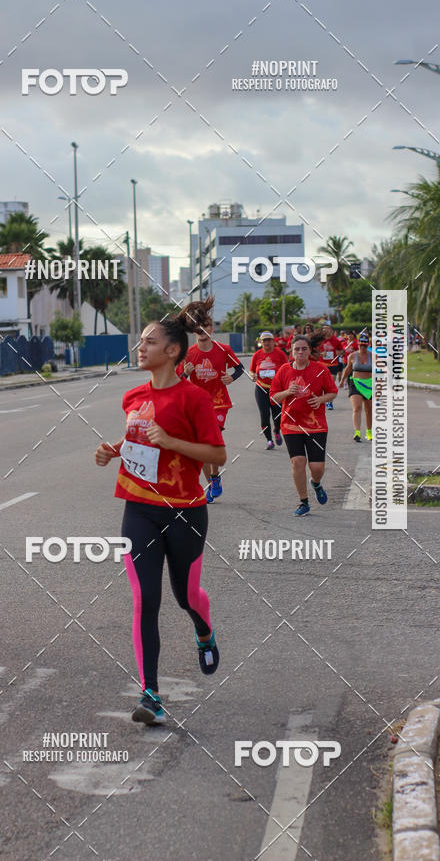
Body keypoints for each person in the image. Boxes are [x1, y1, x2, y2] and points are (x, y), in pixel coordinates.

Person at [95, 305, 226, 726]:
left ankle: (203, 632)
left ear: (172, 351)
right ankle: (150, 693)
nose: (141, 347)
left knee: (186, 596)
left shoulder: (195, 399)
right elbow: (137, 436)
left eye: (150, 341)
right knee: (144, 598)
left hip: (185, 511)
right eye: (141, 340)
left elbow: (217, 454)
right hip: (139, 509)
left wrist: (171, 440)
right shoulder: (133, 396)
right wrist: (112, 449)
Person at [176, 297, 244, 503]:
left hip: (220, 402)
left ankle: (214, 478)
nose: (203, 331)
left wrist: (231, 377)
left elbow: (240, 368)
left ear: (211, 329)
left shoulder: (223, 350)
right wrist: (186, 374)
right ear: (194, 331)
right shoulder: (188, 354)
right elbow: (177, 381)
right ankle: (213, 481)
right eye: (199, 327)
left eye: (206, 326)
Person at [270, 335, 338, 516]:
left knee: (317, 468)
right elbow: (273, 397)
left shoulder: (320, 370)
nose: (300, 352)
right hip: (291, 425)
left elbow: (332, 392)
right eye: (297, 349)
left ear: (309, 351)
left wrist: (321, 399)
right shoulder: (284, 370)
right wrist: (287, 392)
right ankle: (304, 502)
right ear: (291, 352)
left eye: (304, 349)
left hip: (316, 425)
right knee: (298, 462)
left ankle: (315, 483)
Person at [249, 332, 288, 449]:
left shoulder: (280, 354)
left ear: (273, 341)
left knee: (277, 415)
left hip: (276, 390)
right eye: (264, 340)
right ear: (261, 342)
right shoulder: (257, 355)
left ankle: (277, 430)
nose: (266, 343)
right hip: (261, 388)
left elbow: (287, 369)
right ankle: (269, 440)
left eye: (269, 340)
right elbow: (252, 370)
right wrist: (253, 375)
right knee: (264, 415)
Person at [340, 331, 373, 441]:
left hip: (369, 384)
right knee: (357, 408)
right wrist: (342, 380)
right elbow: (348, 369)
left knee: (369, 410)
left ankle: (369, 432)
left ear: (368, 345)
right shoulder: (352, 356)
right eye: (361, 344)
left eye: (365, 345)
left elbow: (381, 369)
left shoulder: (373, 356)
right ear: (358, 344)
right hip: (355, 383)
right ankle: (357, 432)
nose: (363, 347)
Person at [318, 325, 343, 409]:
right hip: (321, 364)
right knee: (321, 384)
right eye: (324, 329)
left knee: (331, 382)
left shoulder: (336, 340)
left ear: (331, 331)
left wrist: (339, 352)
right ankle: (322, 400)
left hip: (333, 364)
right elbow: (313, 352)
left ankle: (329, 402)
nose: (326, 331)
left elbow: (342, 351)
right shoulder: (319, 340)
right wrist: (321, 354)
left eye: (327, 329)